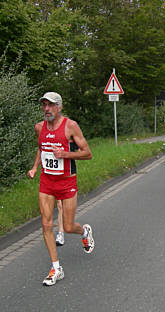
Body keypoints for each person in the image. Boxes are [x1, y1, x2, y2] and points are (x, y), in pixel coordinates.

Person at [28, 92, 94, 286]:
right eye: (44, 105)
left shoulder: (70, 126)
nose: (47, 109)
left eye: (51, 105)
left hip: (67, 182)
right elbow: (41, 148)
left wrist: (65, 154)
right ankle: (56, 268)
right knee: (47, 225)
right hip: (46, 182)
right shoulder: (39, 127)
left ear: (60, 107)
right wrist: (34, 167)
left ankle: (83, 232)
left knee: (67, 226)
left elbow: (87, 154)